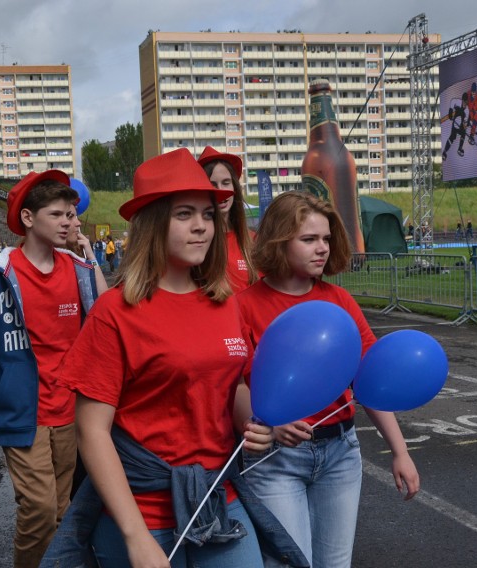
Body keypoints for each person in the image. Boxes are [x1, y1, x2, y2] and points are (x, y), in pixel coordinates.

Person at [47, 148, 295, 568]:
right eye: (184, 214)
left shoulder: (225, 303)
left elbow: (232, 382)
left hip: (220, 501)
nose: (201, 226)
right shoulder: (115, 311)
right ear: (153, 222)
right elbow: (92, 431)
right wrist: (135, 536)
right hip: (142, 513)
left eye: (206, 214)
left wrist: (257, 423)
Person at [237, 191, 420, 568]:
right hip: (274, 460)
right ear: (278, 241)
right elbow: (233, 384)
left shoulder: (340, 301)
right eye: (308, 239)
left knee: (334, 563)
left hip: (340, 454)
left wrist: (400, 452)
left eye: (326, 239)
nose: (322, 248)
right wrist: (268, 421)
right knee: (292, 562)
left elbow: (369, 381)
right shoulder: (243, 305)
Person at [0, 169, 100, 568]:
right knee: (38, 511)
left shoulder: (81, 271)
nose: (70, 222)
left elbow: (101, 341)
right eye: (58, 214)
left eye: (71, 214)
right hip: (23, 414)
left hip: (71, 413)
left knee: (61, 511)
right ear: (28, 218)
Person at [198, 145, 258, 293]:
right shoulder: (196, 242)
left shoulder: (253, 241)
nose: (221, 191)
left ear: (234, 188)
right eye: (212, 185)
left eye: (226, 183)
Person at [442, 92, 468, 160]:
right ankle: (444, 152)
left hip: (461, 126)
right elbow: (452, 101)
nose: (465, 103)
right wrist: (450, 111)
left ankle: (460, 148)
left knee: (464, 133)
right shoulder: (457, 102)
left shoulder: (467, 110)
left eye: (466, 102)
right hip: (455, 124)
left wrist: (464, 126)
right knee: (452, 137)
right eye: (464, 101)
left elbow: (465, 122)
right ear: (462, 100)